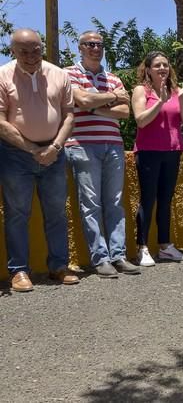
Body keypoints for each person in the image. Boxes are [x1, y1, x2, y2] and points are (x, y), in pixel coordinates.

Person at [0, 28, 79, 291]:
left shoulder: (59, 74)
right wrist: (33, 149)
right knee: (17, 213)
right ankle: (19, 271)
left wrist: (55, 147)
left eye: (36, 50)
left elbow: (69, 115)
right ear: (13, 50)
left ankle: (59, 265)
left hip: (55, 153)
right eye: (24, 51)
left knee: (56, 212)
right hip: (16, 155)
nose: (31, 56)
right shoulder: (2, 75)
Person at [64, 31, 141, 278]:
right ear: (80, 48)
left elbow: (124, 111)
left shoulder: (113, 77)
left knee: (115, 202)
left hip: (113, 145)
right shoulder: (69, 73)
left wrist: (94, 108)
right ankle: (100, 258)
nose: (96, 48)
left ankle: (118, 255)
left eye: (99, 44)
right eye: (90, 44)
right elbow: (82, 99)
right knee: (91, 204)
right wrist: (107, 99)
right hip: (82, 144)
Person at [131, 51, 183, 266]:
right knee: (148, 199)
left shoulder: (175, 91)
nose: (162, 69)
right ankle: (143, 247)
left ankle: (165, 246)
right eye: (157, 65)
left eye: (165, 65)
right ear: (148, 69)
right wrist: (159, 102)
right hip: (148, 151)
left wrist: (182, 99)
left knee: (166, 200)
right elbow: (140, 120)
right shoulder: (141, 90)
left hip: (173, 151)